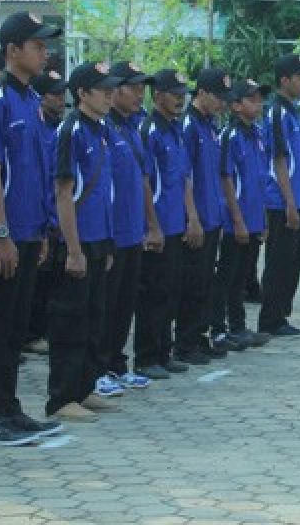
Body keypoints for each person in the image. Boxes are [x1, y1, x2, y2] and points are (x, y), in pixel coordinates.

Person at [0, 11, 65, 446]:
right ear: (13, 51)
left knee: (15, 326)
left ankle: (10, 409)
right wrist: (2, 234)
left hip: (30, 232)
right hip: (2, 237)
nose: (45, 52)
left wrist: (43, 230)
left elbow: (38, 172)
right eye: (37, 45)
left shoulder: (31, 100)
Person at [46, 61, 123, 423]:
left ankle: (84, 386)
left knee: (94, 319)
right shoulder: (71, 130)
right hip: (75, 242)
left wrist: (105, 244)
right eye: (103, 89)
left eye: (112, 89)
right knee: (70, 321)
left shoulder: (102, 129)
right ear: (82, 94)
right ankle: (61, 397)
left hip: (98, 238)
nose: (111, 95)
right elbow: (64, 193)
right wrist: (73, 249)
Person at [96, 61, 163, 396]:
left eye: (142, 88)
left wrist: (152, 224)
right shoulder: (102, 128)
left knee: (125, 303)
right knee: (105, 304)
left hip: (133, 230)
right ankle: (99, 367)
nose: (140, 95)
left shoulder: (134, 127)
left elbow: (144, 179)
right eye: (133, 88)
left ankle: (118, 364)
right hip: (111, 231)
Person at [134, 70, 196, 380]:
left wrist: (190, 217)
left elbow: (183, 178)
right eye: (174, 93)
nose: (180, 98)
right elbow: (146, 182)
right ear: (157, 96)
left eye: (183, 93)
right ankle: (146, 356)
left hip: (175, 224)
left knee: (171, 291)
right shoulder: (149, 130)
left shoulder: (175, 130)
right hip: (157, 225)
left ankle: (163, 351)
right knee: (153, 293)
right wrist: (152, 225)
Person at [176, 68, 231, 364]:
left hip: (213, 216)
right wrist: (192, 216)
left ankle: (199, 336)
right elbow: (185, 176)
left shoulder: (211, 125)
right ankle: (185, 342)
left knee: (206, 283)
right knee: (192, 284)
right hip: (196, 218)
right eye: (218, 97)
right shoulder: (189, 125)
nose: (222, 103)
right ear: (202, 93)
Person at [211, 79, 271, 351]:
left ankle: (238, 326)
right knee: (227, 276)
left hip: (254, 218)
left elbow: (260, 179)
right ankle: (219, 329)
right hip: (235, 220)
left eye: (259, 99)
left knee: (243, 275)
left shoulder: (257, 134)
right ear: (235, 105)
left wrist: (263, 218)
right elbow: (226, 180)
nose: (257, 104)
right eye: (251, 99)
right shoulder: (229, 136)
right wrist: (236, 220)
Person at [258, 55, 300, 337]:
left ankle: (282, 316)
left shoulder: (294, 113)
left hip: (297, 199)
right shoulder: (276, 113)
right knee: (278, 262)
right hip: (280, 201)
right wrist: (290, 202)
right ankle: (270, 318)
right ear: (285, 81)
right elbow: (279, 160)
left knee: (292, 264)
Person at [24, 69, 67, 355]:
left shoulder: (58, 128)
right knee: (37, 283)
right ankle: (31, 333)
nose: (61, 99)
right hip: (39, 215)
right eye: (54, 94)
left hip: (55, 215)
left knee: (51, 279)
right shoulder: (37, 127)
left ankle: (44, 329)